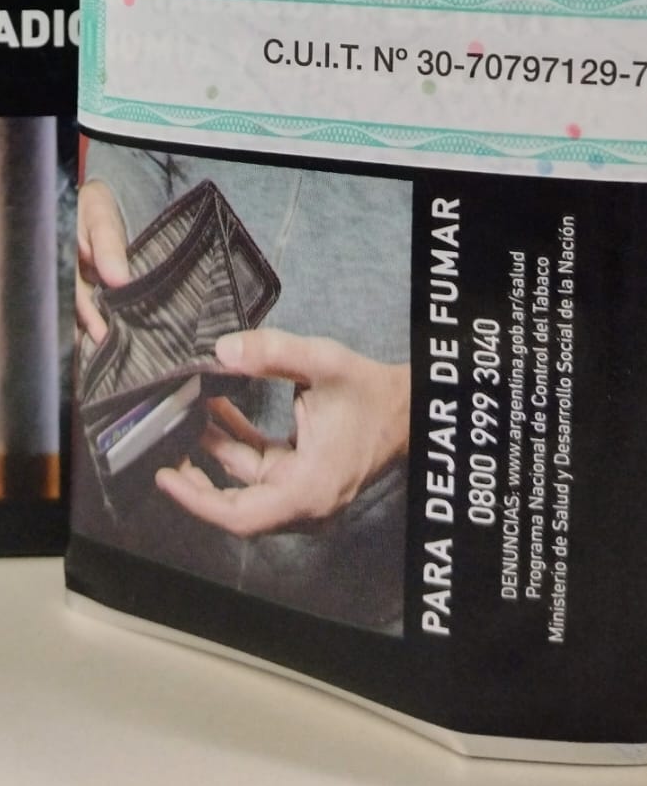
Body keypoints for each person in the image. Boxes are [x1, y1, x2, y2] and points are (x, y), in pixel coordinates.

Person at [75, 144, 411, 634]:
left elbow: (525, 311)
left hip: (361, 612)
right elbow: (136, 146)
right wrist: (110, 206)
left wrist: (403, 410)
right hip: (137, 561)